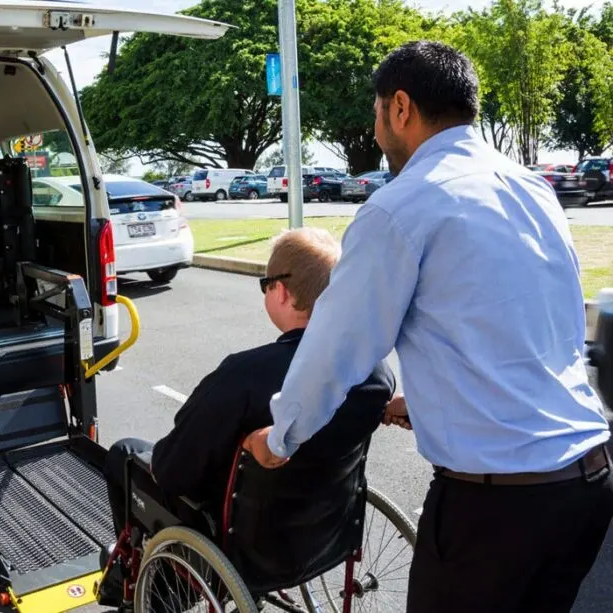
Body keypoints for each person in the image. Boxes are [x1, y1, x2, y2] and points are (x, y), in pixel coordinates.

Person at [242, 40, 613, 613]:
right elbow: (532, 328)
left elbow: (335, 349)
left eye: (375, 113)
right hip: (585, 483)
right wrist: (429, 401)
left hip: (497, 508)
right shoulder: (532, 189)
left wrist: (279, 437)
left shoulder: (401, 207)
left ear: (400, 107)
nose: (375, 130)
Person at [98, 227, 396, 604]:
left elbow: (172, 471)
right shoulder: (373, 370)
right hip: (324, 533)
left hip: (240, 545)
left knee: (125, 453)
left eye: (265, 285)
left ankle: (147, 585)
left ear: (282, 291)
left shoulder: (243, 377)